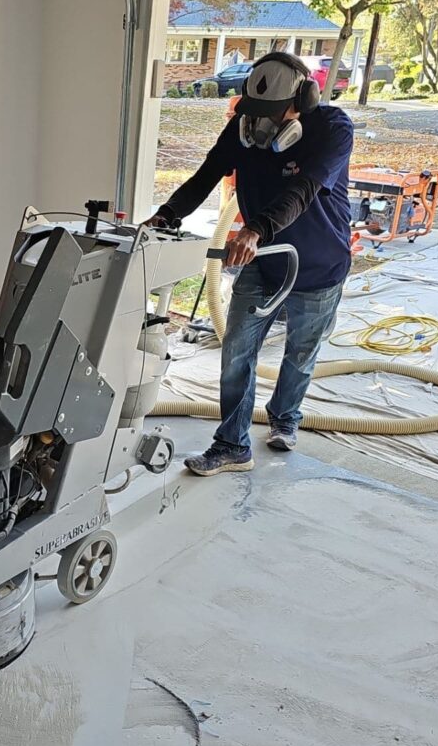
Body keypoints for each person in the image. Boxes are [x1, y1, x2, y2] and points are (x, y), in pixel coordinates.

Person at [146, 51, 354, 476]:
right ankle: (232, 444)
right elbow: (206, 175)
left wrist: (255, 228)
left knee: (300, 351)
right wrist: (166, 214)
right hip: (262, 261)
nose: (264, 124)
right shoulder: (242, 132)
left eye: (273, 114)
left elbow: (304, 190)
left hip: (318, 264)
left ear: (304, 100)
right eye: (256, 112)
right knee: (237, 350)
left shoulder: (332, 130)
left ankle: (284, 417)